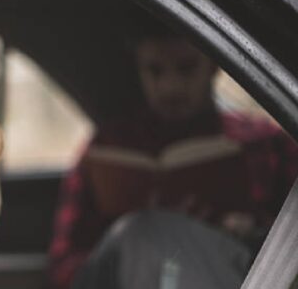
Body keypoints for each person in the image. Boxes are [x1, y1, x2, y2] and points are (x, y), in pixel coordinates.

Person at [48, 26, 298, 289]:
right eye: (155, 71)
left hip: (231, 270)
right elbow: (62, 265)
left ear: (214, 66)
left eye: (186, 68)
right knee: (143, 233)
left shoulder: (264, 143)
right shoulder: (108, 149)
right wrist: (123, 244)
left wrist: (255, 231)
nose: (170, 86)